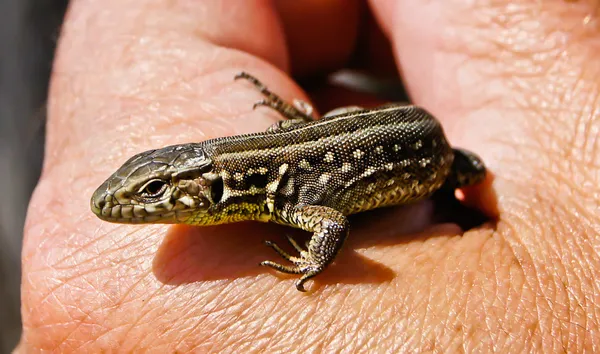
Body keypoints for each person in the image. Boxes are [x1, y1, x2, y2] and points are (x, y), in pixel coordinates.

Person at [18, 1, 599, 352]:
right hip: (376, 130)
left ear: (211, 187)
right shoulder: (268, 182)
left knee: (463, 170)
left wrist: (311, 264)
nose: (146, 203)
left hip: (434, 155)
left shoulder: (291, 197)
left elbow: (330, 223)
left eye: (156, 192)